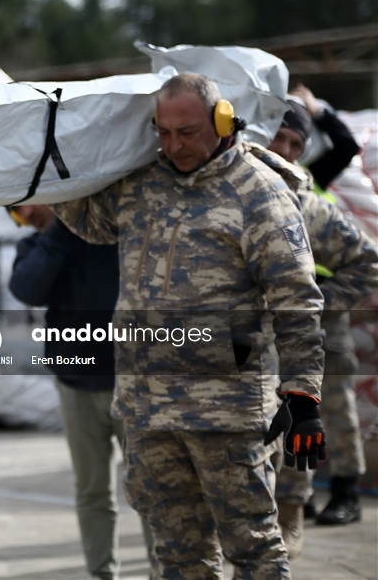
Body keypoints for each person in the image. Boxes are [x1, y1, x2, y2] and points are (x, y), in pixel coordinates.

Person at [52, 72, 326, 580]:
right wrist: (48, 162)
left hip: (226, 415)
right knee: (177, 559)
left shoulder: (259, 194)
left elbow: (297, 300)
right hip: (147, 411)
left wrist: (303, 395)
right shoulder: (142, 185)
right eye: (164, 132)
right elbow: (88, 220)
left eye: (187, 132)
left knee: (255, 553)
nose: (174, 145)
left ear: (223, 122)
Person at [8, 204, 156, 580]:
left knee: (154, 490)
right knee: (92, 490)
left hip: (132, 383)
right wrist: (59, 232)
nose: (25, 215)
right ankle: (102, 573)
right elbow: (27, 289)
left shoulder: (108, 236)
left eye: (27, 205)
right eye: (15, 213)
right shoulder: (39, 248)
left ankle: (166, 571)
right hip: (76, 386)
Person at [265, 99, 377, 554]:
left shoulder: (311, 190)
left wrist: (320, 107)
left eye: (298, 143)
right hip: (268, 325)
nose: (288, 150)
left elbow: (347, 143)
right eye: (281, 138)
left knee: (327, 404)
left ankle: (340, 489)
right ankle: (291, 499)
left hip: (319, 316)